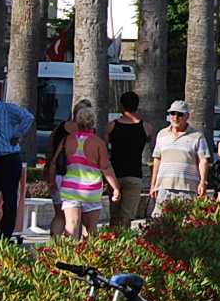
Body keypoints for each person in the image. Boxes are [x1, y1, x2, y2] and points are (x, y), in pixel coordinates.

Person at [55, 100, 118, 237]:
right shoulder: (98, 142)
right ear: (93, 122)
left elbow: (55, 161)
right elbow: (106, 167)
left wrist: (51, 181)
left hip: (70, 188)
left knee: (71, 225)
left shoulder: (67, 140)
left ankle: (69, 255)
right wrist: (115, 188)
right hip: (91, 189)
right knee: (91, 227)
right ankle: (89, 256)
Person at [0, 80, 34, 240]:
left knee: (10, 199)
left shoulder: (6, 109)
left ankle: (6, 235)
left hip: (9, 158)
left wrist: (17, 135)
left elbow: (28, 117)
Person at [150, 100, 210, 204]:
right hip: (164, 186)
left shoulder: (197, 136)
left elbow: (203, 160)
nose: (175, 117)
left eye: (180, 114)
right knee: (160, 219)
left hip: (187, 187)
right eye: (172, 113)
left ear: (187, 116)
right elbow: (157, 160)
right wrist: (153, 185)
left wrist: (203, 181)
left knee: (186, 220)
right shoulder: (162, 134)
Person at [106, 93, 150, 229]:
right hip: (134, 174)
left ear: (121, 105)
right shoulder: (145, 127)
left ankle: (112, 241)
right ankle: (125, 242)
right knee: (127, 215)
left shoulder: (111, 126)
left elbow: (103, 146)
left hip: (115, 174)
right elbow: (149, 139)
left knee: (114, 214)